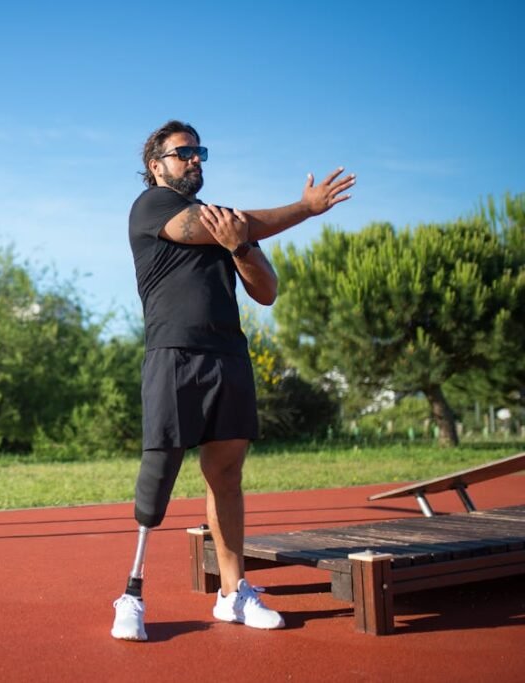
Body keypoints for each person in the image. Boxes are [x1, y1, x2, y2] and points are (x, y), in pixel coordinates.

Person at [111, 120, 355, 640]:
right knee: (159, 473)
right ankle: (130, 594)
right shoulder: (151, 207)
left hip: (227, 357)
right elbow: (213, 226)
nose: (194, 159)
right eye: (183, 153)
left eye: (199, 151)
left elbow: (267, 290)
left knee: (226, 475)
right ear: (157, 166)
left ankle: (233, 593)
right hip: (174, 355)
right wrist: (304, 208)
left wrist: (240, 247)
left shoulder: (227, 225)